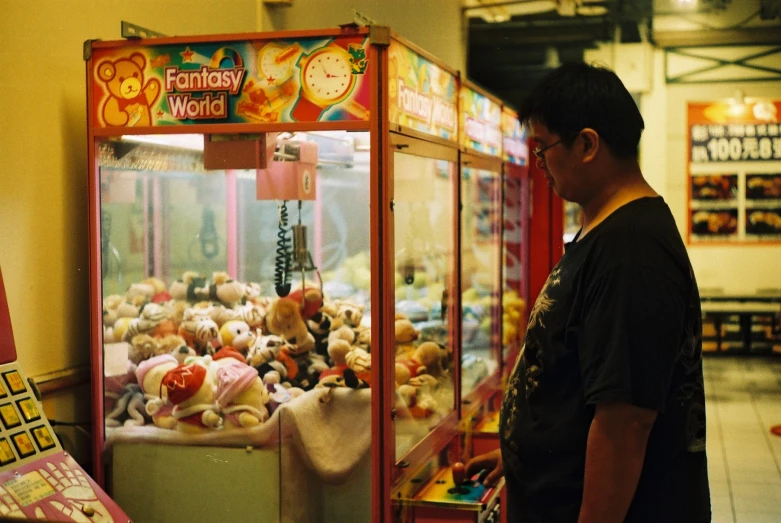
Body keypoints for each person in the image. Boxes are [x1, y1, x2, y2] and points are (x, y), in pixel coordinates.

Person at [466, 63, 710, 522]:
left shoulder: (632, 254)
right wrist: (525, 461)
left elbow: (624, 425)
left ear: (587, 144)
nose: (539, 166)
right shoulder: (608, 231)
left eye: (543, 150)